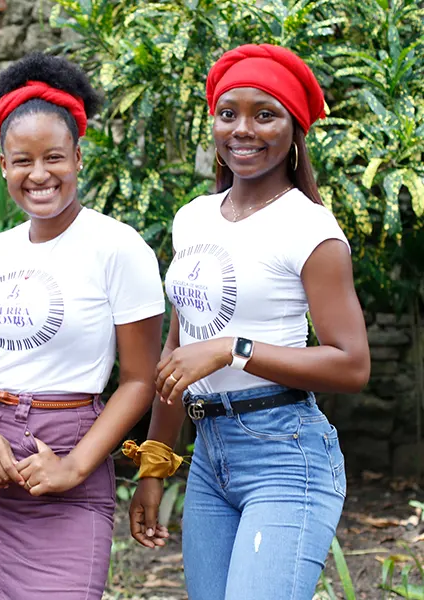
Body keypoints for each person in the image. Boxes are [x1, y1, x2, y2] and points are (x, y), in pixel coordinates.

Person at [126, 44, 371, 600]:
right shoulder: (191, 219)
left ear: (293, 129)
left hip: (285, 454)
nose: (242, 129)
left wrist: (231, 349)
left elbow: (352, 364)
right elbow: (177, 356)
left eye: (265, 114)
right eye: (227, 113)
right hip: (211, 457)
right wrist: (155, 467)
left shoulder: (309, 230)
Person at [0, 52, 166, 600]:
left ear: (78, 158)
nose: (39, 174)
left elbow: (138, 380)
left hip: (68, 462)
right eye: (22, 160)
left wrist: (75, 467)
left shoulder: (118, 247)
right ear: (3, 166)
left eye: (54, 157)